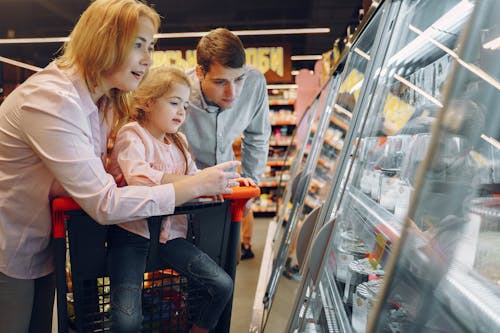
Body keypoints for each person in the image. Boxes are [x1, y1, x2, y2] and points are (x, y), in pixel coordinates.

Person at [0, 1, 239, 332]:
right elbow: (105, 202)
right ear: (104, 40)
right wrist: (194, 186)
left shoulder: (101, 103)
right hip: (8, 247)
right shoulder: (53, 100)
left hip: (40, 243)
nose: (147, 58)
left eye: (150, 46)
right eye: (138, 44)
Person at [107, 65, 236, 333]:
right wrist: (197, 184)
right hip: (131, 235)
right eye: (174, 102)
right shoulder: (132, 133)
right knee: (127, 321)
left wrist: (228, 182)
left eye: (185, 106)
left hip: (172, 235)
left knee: (221, 286)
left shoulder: (179, 142)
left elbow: (196, 178)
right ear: (148, 101)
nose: (181, 111)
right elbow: (139, 179)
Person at [182, 28, 271, 260]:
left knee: (226, 264)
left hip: (228, 193)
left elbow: (257, 137)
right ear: (200, 73)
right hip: (187, 196)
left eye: (238, 79)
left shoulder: (254, 83)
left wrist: (251, 186)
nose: (233, 92)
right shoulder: (179, 92)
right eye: (220, 81)